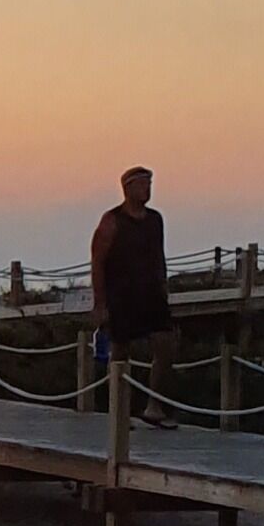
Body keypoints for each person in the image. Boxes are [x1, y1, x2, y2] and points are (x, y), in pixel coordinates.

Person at [91, 165, 178, 427]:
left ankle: (155, 406)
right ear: (128, 188)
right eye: (142, 184)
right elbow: (97, 262)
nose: (147, 189)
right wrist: (100, 303)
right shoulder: (112, 221)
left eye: (149, 184)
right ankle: (120, 411)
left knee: (165, 344)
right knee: (120, 350)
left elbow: (159, 256)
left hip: (151, 293)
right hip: (121, 295)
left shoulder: (155, 219)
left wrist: (163, 287)